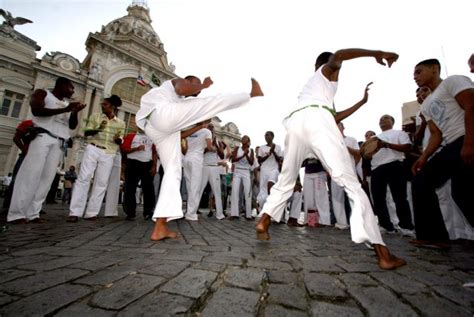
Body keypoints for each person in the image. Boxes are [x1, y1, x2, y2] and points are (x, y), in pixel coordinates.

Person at [255, 48, 406, 270]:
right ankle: (382, 253)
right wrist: (377, 53)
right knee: (352, 185)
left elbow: (333, 116)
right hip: (317, 122)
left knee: (286, 181)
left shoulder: (315, 88)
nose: (339, 70)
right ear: (327, 65)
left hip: (296, 124)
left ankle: (264, 220)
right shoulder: (326, 72)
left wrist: (362, 102)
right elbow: (340, 54)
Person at [136, 75, 263, 241]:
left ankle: (160, 226)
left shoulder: (177, 102)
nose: (196, 92)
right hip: (160, 115)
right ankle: (249, 94)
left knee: (173, 173)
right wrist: (203, 85)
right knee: (209, 103)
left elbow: (181, 133)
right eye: (194, 85)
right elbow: (183, 88)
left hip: (157, 128)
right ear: (188, 81)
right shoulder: (174, 84)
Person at [411, 58, 474, 247]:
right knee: (424, 181)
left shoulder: (453, 81)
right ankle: (434, 236)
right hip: (450, 145)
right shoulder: (426, 104)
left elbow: (472, 106)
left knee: (463, 192)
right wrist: (423, 158)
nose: (415, 77)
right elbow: (436, 135)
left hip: (466, 137)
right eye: (414, 74)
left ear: (434, 69)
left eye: (419, 71)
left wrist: (470, 143)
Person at [7, 77, 86, 224]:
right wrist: (66, 109)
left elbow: (72, 126)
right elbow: (37, 111)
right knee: (30, 174)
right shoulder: (42, 93)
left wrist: (74, 111)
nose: (72, 91)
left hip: (58, 141)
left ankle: (33, 213)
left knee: (46, 179)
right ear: (61, 86)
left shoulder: (67, 103)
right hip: (42, 136)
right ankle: (16, 214)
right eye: (70, 87)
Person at [67, 95, 125, 222]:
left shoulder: (120, 123)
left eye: (105, 104)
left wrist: (118, 139)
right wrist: (98, 129)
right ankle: (75, 212)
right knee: (84, 178)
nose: (102, 106)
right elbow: (86, 132)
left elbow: (121, 139)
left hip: (109, 152)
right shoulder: (95, 117)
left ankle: (92, 212)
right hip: (93, 148)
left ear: (113, 106)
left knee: (101, 182)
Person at [370, 114, 414, 235]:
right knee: (378, 199)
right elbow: (367, 154)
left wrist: (387, 145)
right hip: (377, 168)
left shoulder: (399, 133)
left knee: (400, 197)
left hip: (395, 165)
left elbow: (407, 147)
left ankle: (406, 227)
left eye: (385, 118)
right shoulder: (374, 137)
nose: (382, 120)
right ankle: (385, 226)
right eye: (380, 119)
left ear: (392, 121)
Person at [121, 128, 157, 220]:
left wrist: (154, 166)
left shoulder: (152, 137)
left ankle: (148, 212)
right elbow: (124, 150)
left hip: (147, 164)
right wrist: (136, 149)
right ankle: (130, 212)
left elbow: (154, 152)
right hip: (132, 163)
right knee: (130, 188)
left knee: (149, 188)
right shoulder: (130, 136)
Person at [182, 121, 213, 221]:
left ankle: (188, 211)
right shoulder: (207, 131)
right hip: (196, 160)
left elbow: (185, 147)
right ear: (206, 122)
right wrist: (214, 148)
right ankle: (191, 214)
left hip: (187, 158)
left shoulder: (190, 131)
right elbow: (209, 147)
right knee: (195, 187)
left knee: (189, 186)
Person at [198, 123, 227, 220]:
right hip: (204, 166)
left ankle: (220, 214)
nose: (210, 130)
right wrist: (209, 147)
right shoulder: (202, 140)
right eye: (209, 128)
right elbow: (200, 152)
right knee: (199, 190)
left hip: (214, 167)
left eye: (212, 129)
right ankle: (192, 212)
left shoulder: (218, 141)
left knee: (217, 191)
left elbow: (222, 156)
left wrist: (217, 147)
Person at [257, 131, 283, 210]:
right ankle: (262, 209)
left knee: (273, 189)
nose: (266, 137)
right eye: (265, 136)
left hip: (274, 170)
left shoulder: (278, 147)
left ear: (272, 137)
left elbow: (279, 160)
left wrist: (274, 152)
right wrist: (269, 154)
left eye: (267, 135)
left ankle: (271, 209)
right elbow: (259, 161)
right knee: (263, 189)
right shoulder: (261, 148)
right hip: (264, 170)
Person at [230, 135, 255, 220]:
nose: (243, 139)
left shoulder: (251, 150)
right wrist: (243, 155)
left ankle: (248, 215)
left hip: (246, 172)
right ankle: (234, 214)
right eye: (242, 138)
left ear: (248, 142)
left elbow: (251, 163)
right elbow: (233, 159)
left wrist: (246, 155)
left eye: (245, 138)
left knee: (248, 192)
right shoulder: (237, 148)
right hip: (237, 171)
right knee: (235, 191)